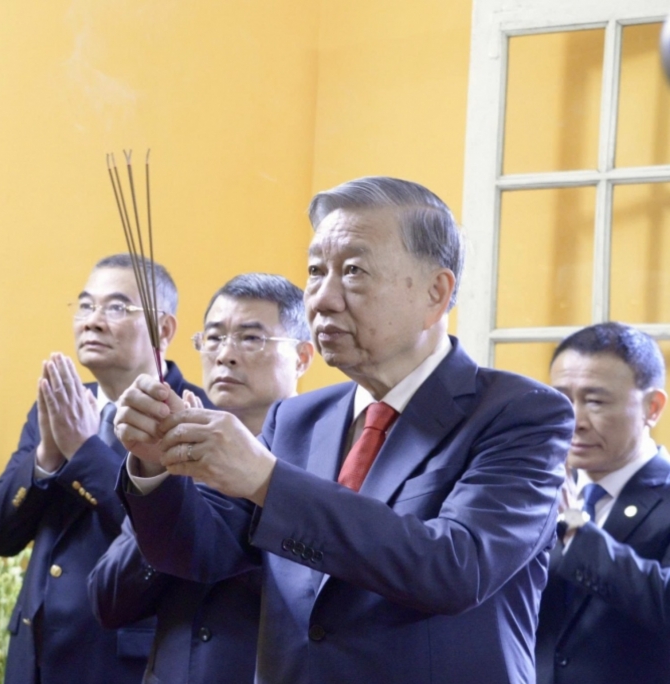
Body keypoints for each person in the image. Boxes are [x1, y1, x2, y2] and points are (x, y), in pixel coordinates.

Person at [113, 176, 575, 684]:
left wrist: (268, 480)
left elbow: (454, 568)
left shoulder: (521, 414)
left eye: (353, 271)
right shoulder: (297, 418)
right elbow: (199, 551)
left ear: (435, 293)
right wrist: (154, 465)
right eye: (316, 271)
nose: (323, 299)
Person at [0, 254, 208, 684]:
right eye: (85, 306)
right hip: (34, 660)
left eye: (116, 307)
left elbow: (172, 539)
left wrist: (82, 450)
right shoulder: (62, 403)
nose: (93, 322)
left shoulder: (193, 413)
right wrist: (47, 455)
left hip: (123, 662)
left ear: (164, 329)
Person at [88, 273, 314, 684]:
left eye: (250, 338)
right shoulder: (176, 456)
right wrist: (162, 476)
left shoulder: (326, 453)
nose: (225, 354)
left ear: (301, 357)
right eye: (213, 338)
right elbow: (108, 600)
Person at [536, 322, 670, 684]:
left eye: (595, 402)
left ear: (653, 407)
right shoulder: (539, 493)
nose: (574, 421)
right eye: (562, 399)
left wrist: (575, 530)